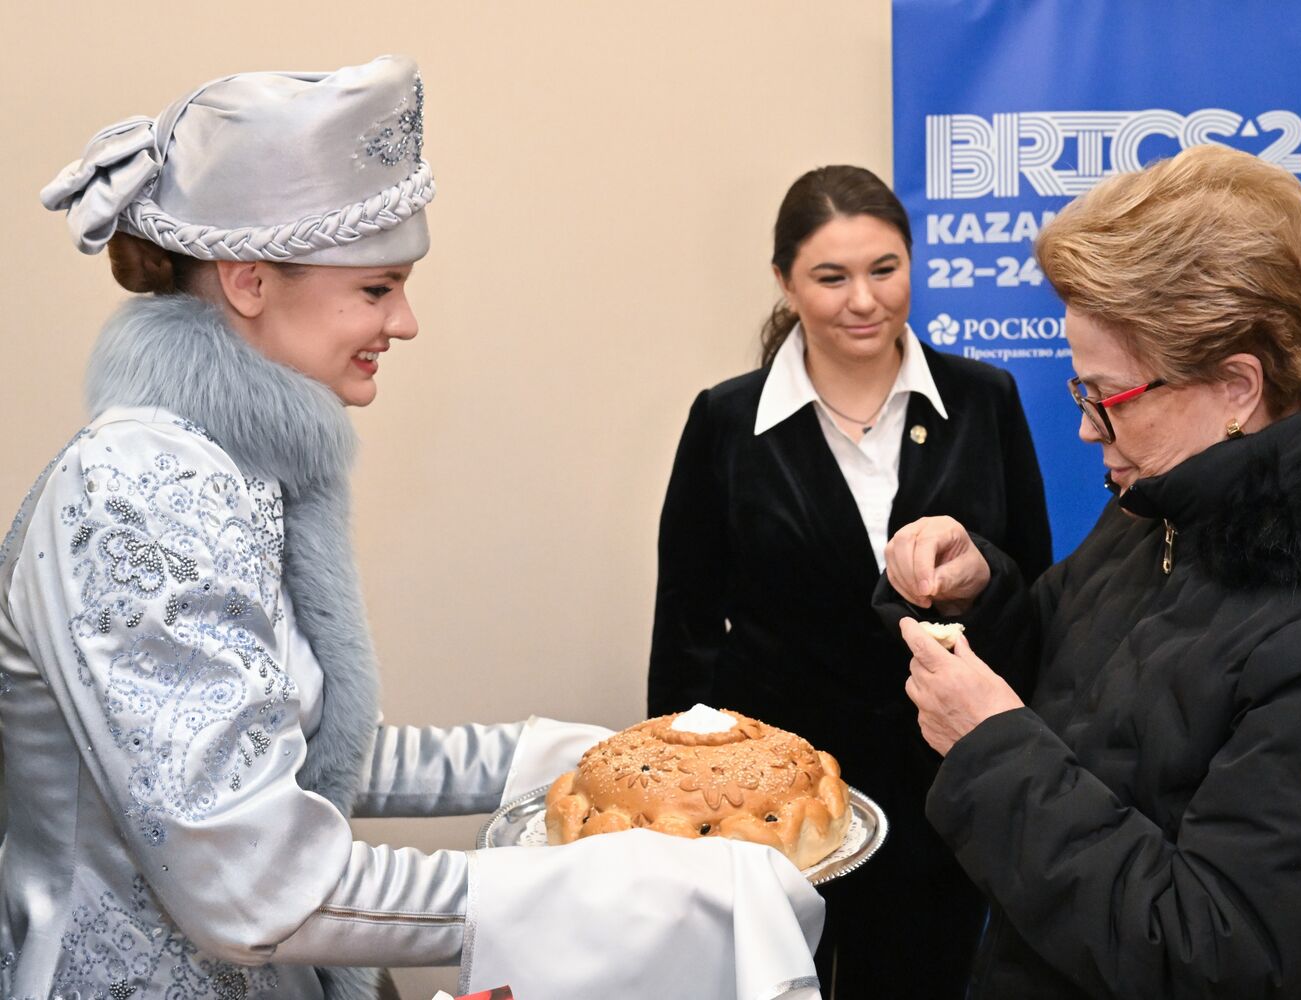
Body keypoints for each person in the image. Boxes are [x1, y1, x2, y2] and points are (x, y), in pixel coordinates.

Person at [2, 57, 824, 1000]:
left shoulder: (225, 469)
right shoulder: (137, 488)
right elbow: (254, 886)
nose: (405, 322)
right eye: (377, 288)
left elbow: (312, 749)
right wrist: (576, 891)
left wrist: (609, 760)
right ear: (248, 282)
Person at [881, 143, 1301, 998]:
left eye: (1103, 399)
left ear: (1233, 387)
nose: (1085, 431)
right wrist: (982, 595)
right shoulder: (1167, 496)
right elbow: (1073, 671)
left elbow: (1218, 954)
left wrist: (991, 749)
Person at [648, 164, 1051, 997]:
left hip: (943, 791)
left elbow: (1034, 592)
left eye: (884, 269)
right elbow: (685, 628)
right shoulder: (725, 420)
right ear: (784, 283)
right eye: (830, 277)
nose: (863, 300)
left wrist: (979, 585)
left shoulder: (985, 400)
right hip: (774, 805)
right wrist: (679, 809)